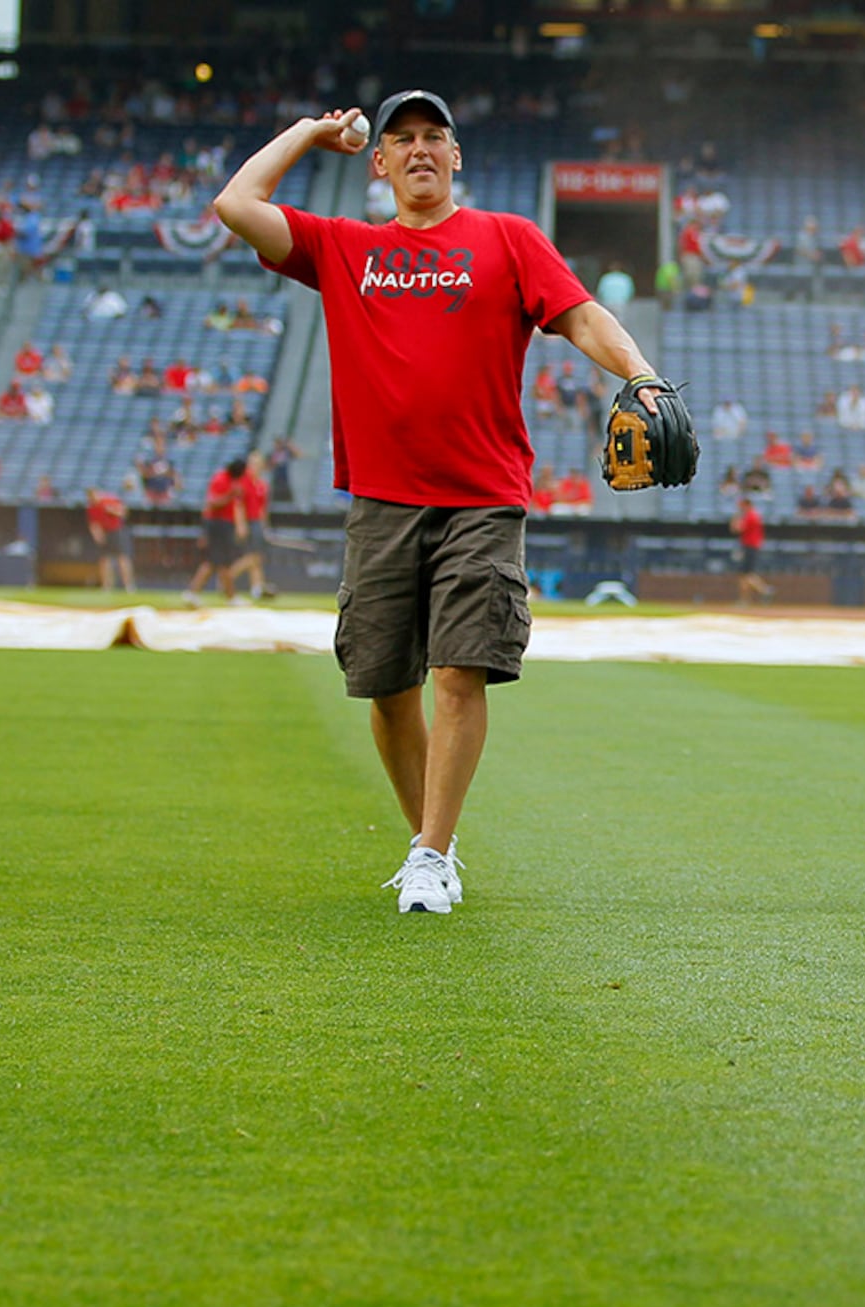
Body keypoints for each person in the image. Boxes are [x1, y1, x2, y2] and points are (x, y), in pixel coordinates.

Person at [212, 87, 669, 914]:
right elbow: (236, 204)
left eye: (435, 136)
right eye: (402, 139)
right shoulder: (345, 248)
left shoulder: (508, 239)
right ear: (379, 161)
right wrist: (312, 134)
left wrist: (639, 372)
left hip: (481, 496)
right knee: (387, 686)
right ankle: (439, 846)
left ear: (457, 156)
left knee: (461, 672)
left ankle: (426, 854)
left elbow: (580, 315)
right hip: (381, 501)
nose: (420, 149)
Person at [182, 458, 249, 607]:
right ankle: (196, 593)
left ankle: (228, 596)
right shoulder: (221, 478)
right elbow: (212, 503)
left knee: (222, 562)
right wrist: (230, 495)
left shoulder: (232, 480)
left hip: (225, 524)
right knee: (216, 562)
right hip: (217, 524)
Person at [233, 450, 275, 600]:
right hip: (248, 521)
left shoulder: (263, 485)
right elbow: (238, 505)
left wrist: (265, 526)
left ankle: (257, 587)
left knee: (257, 556)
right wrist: (240, 524)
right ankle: (229, 576)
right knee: (254, 556)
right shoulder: (243, 482)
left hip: (257, 522)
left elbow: (263, 508)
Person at [85, 486, 135, 592]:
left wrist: (113, 510)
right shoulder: (91, 507)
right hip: (105, 533)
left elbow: (123, 512)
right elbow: (94, 524)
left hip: (116, 531)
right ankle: (107, 586)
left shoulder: (109, 500)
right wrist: (97, 535)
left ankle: (129, 586)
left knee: (123, 559)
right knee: (104, 561)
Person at [730, 495, 774, 604]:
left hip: (750, 546)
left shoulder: (751, 516)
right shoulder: (752, 515)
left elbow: (736, 528)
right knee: (744, 575)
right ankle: (749, 597)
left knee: (746, 574)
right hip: (750, 546)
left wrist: (736, 516)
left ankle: (764, 590)